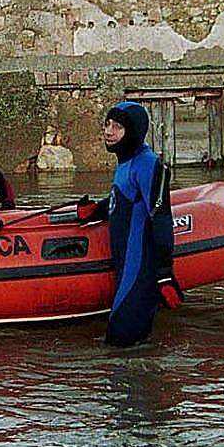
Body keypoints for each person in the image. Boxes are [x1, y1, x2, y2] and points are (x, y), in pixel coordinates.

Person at [76, 101, 180, 347]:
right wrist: (96, 211)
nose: (109, 131)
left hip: (140, 273)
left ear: (133, 131)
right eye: (107, 124)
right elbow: (127, 201)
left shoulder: (148, 164)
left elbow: (162, 217)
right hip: (127, 270)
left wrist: (164, 275)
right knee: (132, 349)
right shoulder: (125, 164)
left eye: (118, 127)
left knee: (119, 347)